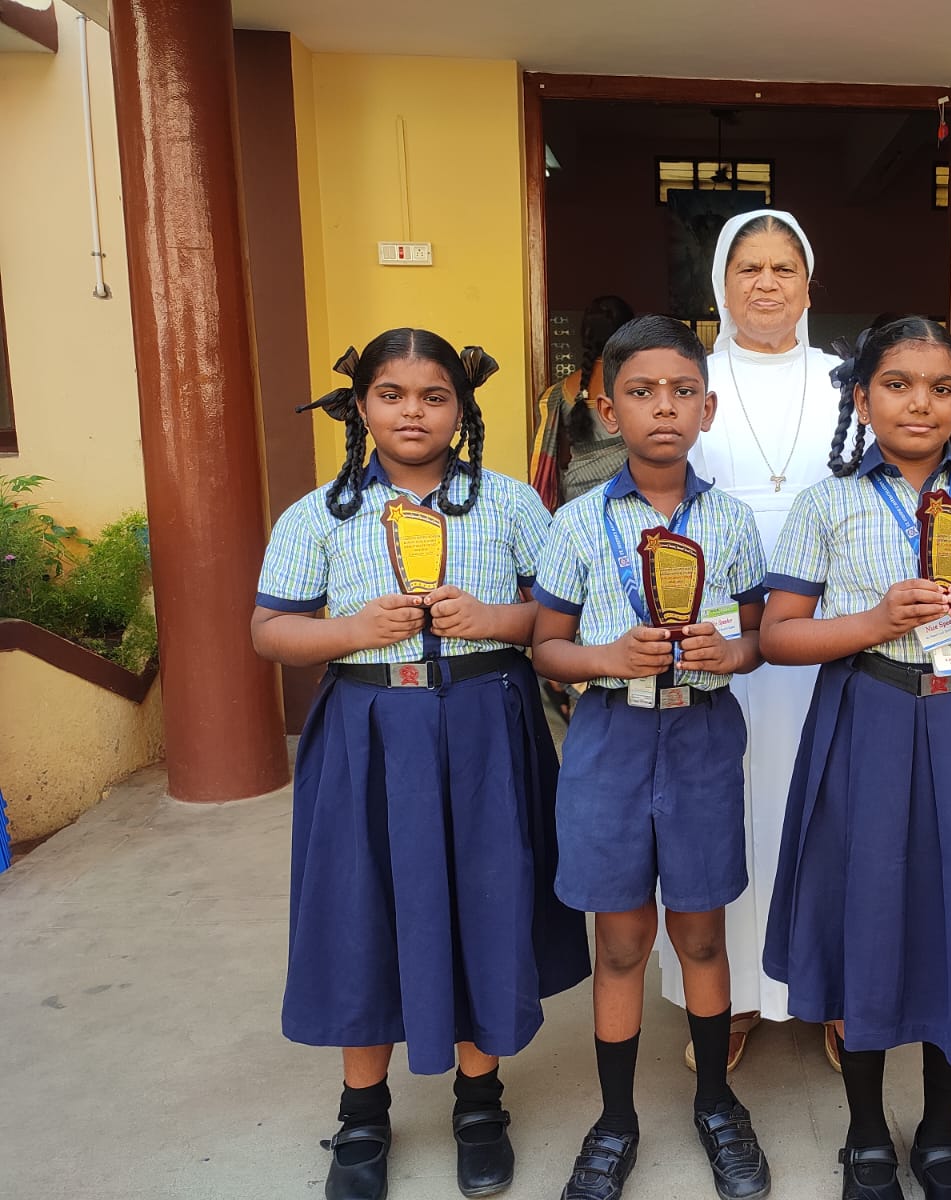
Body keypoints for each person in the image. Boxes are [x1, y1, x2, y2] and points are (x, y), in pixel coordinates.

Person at [251, 329, 591, 1200]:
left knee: (486, 899)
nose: (414, 412)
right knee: (360, 909)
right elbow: (271, 631)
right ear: (360, 407)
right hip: (368, 732)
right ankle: (363, 1115)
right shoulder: (319, 514)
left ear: (461, 408)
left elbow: (561, 615)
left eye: (435, 396)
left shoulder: (511, 505)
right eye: (392, 395)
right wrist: (351, 631)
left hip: (485, 728)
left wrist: (496, 619)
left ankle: (479, 1105)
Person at [761, 316, 951, 1200]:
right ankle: (864, 1137)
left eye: (941, 387)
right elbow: (779, 636)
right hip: (871, 717)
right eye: (897, 384)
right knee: (870, 913)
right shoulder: (827, 503)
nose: (920, 402)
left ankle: (941, 1138)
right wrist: (875, 620)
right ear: (861, 398)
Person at [531, 315, 773, 1200]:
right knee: (623, 938)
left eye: (682, 391)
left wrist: (731, 653)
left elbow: (760, 637)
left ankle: (715, 1103)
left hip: (702, 736)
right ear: (608, 410)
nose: (663, 407)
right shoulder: (575, 523)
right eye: (641, 392)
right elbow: (547, 648)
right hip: (611, 739)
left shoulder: (732, 521)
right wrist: (607, 656)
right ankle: (616, 1119)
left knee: (700, 932)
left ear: (708, 409)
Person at [666, 209, 845, 1073]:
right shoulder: (687, 380)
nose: (767, 283)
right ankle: (727, 994)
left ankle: (833, 988)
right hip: (718, 634)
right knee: (719, 810)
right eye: (749, 268)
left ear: (808, 285)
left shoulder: (850, 383)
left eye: (784, 268)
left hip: (827, 636)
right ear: (721, 285)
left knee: (827, 805)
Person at [531, 295, 636, 720]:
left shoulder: (563, 390)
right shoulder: (635, 386)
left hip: (575, 500)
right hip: (629, 501)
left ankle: (575, 687)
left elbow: (544, 461)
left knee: (580, 595)